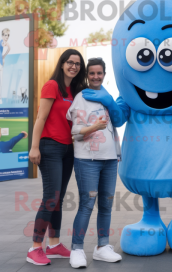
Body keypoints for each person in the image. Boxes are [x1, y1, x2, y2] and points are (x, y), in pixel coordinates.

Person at [27, 49, 87, 266]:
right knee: (50, 197)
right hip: (49, 146)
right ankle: (34, 248)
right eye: (70, 62)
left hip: (68, 149)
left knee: (58, 199)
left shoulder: (75, 90)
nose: (74, 66)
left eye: (78, 64)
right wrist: (34, 147)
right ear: (62, 64)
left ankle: (53, 244)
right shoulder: (52, 85)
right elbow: (40, 118)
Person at [66, 57, 122, 269]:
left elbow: (117, 121)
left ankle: (102, 247)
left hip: (109, 160)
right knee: (87, 205)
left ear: (104, 75)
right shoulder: (81, 97)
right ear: (87, 75)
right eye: (92, 73)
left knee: (106, 205)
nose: (96, 77)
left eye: (99, 73)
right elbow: (74, 132)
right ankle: (77, 249)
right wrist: (93, 128)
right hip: (87, 160)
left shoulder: (106, 96)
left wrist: (110, 101)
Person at [0, 28, 11, 104]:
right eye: (6, 35)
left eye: (8, 36)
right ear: (2, 35)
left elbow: (9, 48)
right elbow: (7, 47)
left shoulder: (3, 42)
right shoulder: (2, 42)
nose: (7, 37)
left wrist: (3, 56)